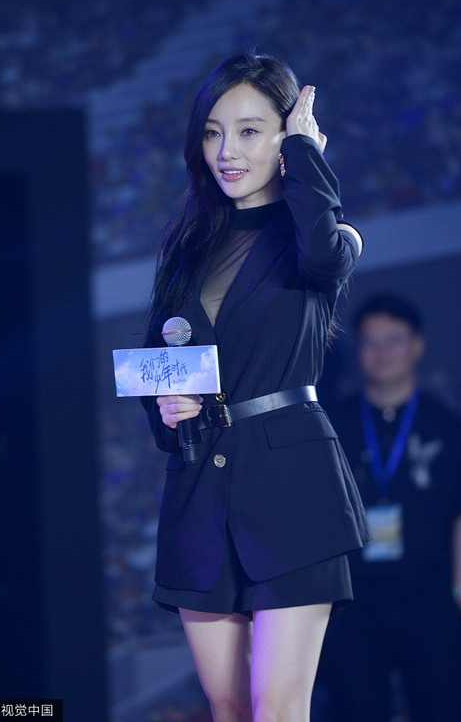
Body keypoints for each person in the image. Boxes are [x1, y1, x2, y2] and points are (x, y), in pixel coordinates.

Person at [141, 51, 370, 722]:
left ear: (286, 136)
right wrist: (167, 408)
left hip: (292, 489)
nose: (227, 151)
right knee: (230, 708)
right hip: (201, 492)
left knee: (277, 707)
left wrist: (306, 155)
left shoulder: (321, 235)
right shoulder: (187, 247)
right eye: (213, 132)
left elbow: (323, 251)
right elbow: (159, 365)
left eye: (249, 131)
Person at [317, 293, 461, 722]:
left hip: (430, 600)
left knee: (440, 710)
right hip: (354, 603)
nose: (382, 352)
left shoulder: (446, 425)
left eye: (393, 340)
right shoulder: (333, 426)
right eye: (370, 342)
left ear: (416, 345)